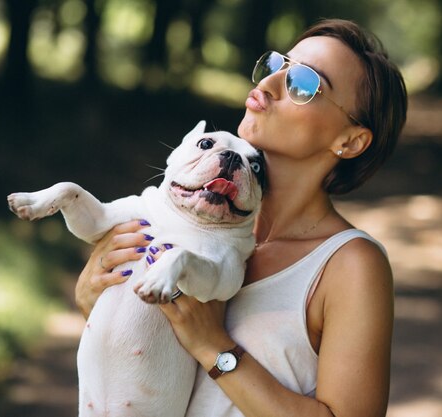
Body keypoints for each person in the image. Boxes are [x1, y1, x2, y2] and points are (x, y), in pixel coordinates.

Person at [75, 18, 407, 417]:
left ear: (350, 140)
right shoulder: (184, 215)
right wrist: (93, 302)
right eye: (275, 66)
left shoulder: (350, 266)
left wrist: (214, 347)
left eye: (303, 85)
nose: (266, 86)